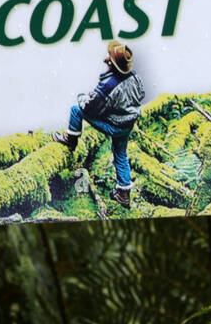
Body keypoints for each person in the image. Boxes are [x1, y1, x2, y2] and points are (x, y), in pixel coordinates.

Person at [54, 40, 145, 208]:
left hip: (114, 125)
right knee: (121, 155)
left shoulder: (108, 85)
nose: (106, 58)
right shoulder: (135, 77)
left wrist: (83, 97)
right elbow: (140, 96)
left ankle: (71, 141)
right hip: (127, 124)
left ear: (112, 63)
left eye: (109, 57)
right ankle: (124, 193)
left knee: (76, 109)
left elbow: (91, 108)